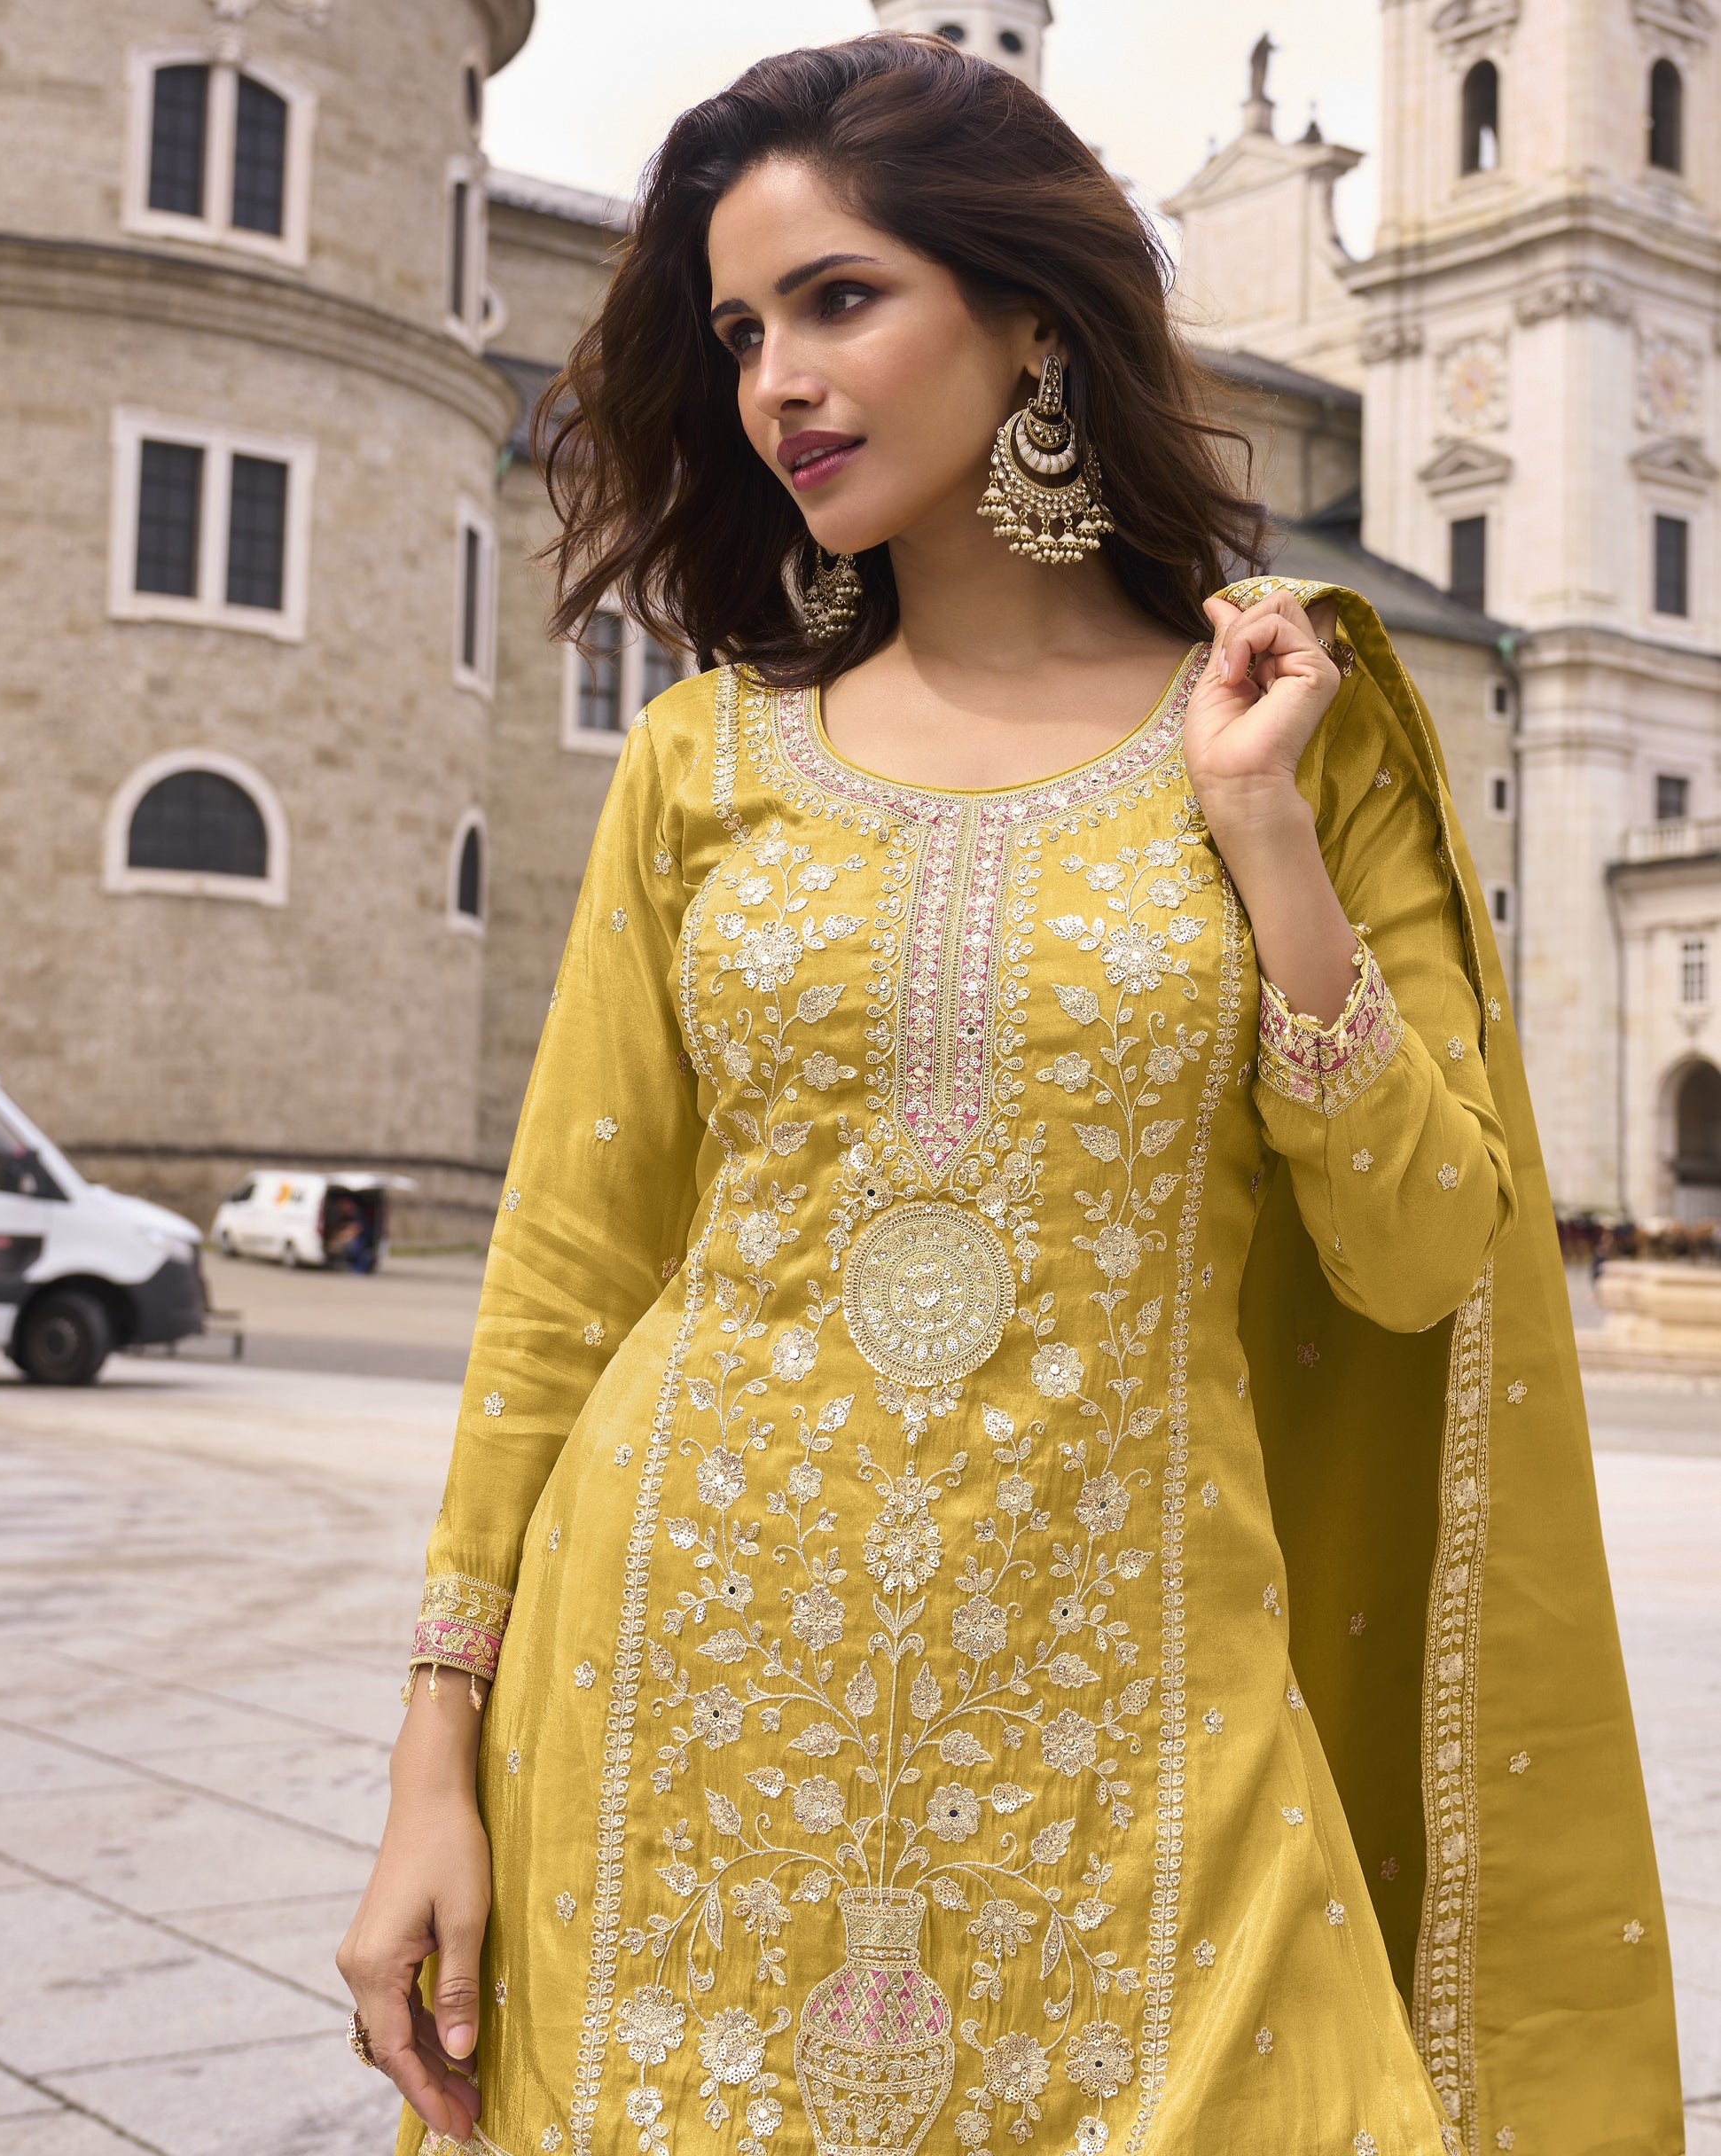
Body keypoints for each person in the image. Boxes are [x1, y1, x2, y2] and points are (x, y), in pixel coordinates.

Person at [338, 35, 1682, 2156]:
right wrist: (435, 1763)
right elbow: (565, 1284)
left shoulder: (1296, 719)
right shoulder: (707, 763)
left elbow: (1425, 1254)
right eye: (738, 326)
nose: (777, 373)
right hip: (673, 1719)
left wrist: (1265, 847)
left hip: (1138, 1737)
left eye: (839, 299)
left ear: (1031, 317)